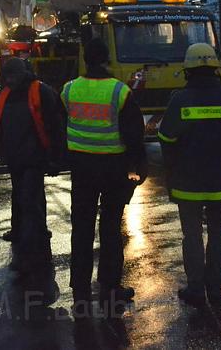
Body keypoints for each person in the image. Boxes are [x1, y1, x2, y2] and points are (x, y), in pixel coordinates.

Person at [158, 43, 221, 309]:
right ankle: (215, 289)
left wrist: (174, 170)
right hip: (219, 181)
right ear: (214, 69)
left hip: (188, 183)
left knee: (192, 235)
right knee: (218, 233)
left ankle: (196, 288)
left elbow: (166, 139)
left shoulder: (180, 100)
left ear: (188, 70)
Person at [62, 38, 147, 316]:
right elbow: (134, 136)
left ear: (86, 59)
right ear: (107, 59)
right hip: (112, 168)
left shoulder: (70, 90)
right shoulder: (119, 92)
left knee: (82, 227)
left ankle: (80, 286)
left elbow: (58, 124)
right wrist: (140, 166)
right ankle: (111, 288)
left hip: (81, 168)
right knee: (110, 228)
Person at [0, 58, 64, 274]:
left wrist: (56, 157)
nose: (10, 80)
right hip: (16, 158)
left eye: (12, 76)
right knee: (25, 196)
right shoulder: (8, 94)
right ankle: (27, 233)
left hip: (33, 158)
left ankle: (31, 246)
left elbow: (55, 125)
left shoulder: (38, 92)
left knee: (28, 199)